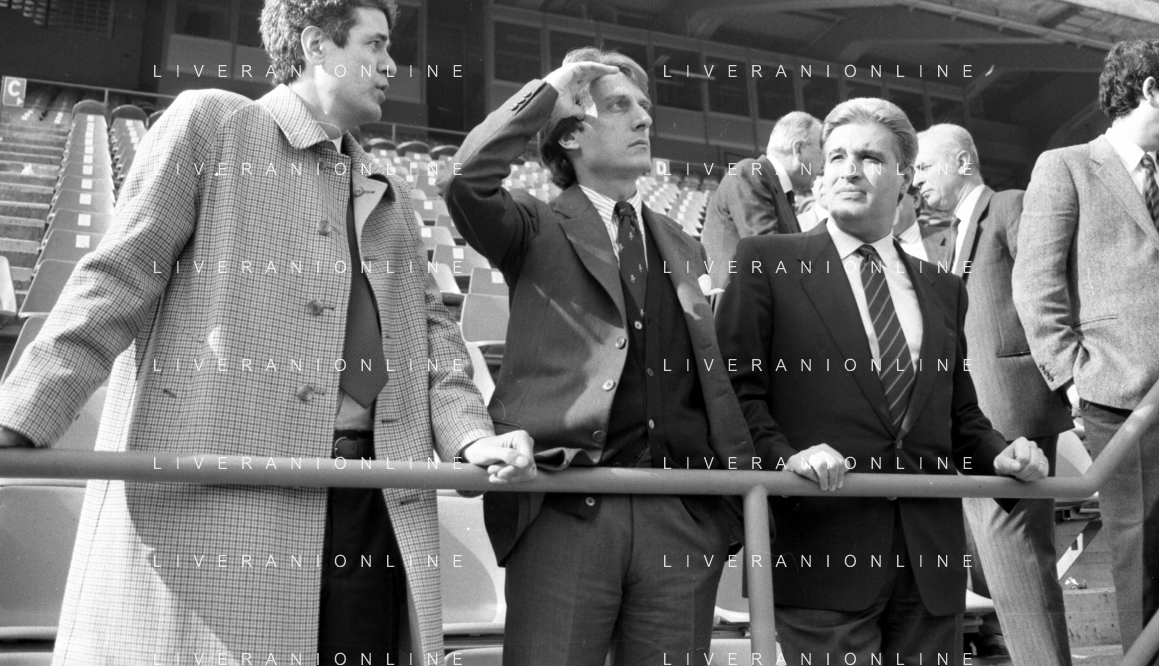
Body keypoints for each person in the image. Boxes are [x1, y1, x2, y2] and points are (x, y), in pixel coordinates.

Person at [0, 0, 534, 666]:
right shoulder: (212, 123)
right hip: (225, 494)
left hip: (373, 500)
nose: (392, 66)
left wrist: (472, 439)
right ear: (317, 45)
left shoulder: (389, 194)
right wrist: (16, 421)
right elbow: (117, 277)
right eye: (376, 45)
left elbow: (434, 339)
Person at [441, 48, 756, 666]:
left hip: (679, 515)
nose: (643, 118)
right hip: (566, 509)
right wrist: (556, 83)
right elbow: (464, 180)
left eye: (644, 106)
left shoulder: (682, 242)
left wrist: (715, 518)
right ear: (571, 134)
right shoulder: (533, 224)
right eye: (618, 106)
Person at [716, 97, 1048, 665]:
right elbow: (733, 394)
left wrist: (1001, 453)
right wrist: (787, 457)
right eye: (836, 157)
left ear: (905, 179)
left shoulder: (943, 289)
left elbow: (959, 415)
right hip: (820, 549)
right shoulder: (766, 262)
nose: (848, 170)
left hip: (929, 565)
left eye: (870, 158)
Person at [1013, 38, 1159, 662]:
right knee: (1141, 553)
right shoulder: (1066, 166)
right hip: (1121, 398)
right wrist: (1075, 380)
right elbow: (1036, 284)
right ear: (1150, 90)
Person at [915, 123, 1073, 665]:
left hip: (1013, 409)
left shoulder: (1008, 205)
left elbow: (1047, 288)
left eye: (924, 167)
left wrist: (1065, 377)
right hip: (969, 419)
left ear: (963, 163)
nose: (916, 180)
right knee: (994, 568)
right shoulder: (947, 237)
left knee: (1017, 560)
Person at [701, 111, 822, 289]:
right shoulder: (750, 171)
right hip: (741, 302)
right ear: (799, 149)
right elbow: (768, 250)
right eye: (821, 152)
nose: (824, 164)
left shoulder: (783, 192)